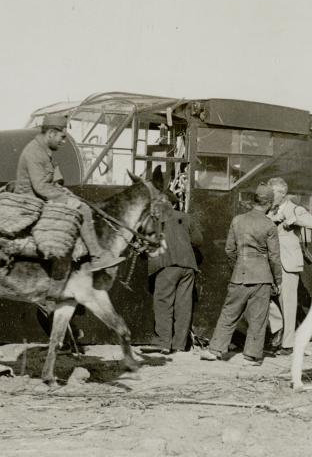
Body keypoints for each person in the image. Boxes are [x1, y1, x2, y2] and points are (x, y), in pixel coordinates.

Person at [15, 113, 125, 272]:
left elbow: (53, 181)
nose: (64, 141)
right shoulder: (34, 152)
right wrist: (65, 200)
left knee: (83, 204)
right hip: (31, 201)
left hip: (42, 196)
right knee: (82, 209)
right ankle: (96, 256)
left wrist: (67, 194)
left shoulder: (44, 150)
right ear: (51, 133)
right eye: (62, 136)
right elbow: (40, 186)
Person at [200, 183, 282, 366]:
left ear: (255, 201)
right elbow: (274, 257)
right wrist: (278, 280)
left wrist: (237, 267)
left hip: (239, 274)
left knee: (229, 313)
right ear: (268, 203)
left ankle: (215, 350)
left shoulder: (237, 220)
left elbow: (230, 250)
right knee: (258, 318)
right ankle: (251, 356)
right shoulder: (269, 225)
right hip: (262, 277)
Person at [265, 177, 312, 355]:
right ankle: (278, 327)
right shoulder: (268, 209)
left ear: (281, 193)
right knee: (263, 297)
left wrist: (294, 220)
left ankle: (287, 345)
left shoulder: (295, 209)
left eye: (271, 193)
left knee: (288, 303)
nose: (268, 196)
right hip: (269, 262)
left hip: (287, 263)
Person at [144, 191, 203, 354]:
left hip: (167, 264)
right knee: (184, 305)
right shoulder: (185, 217)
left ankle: (164, 343)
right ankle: (179, 345)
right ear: (174, 204)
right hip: (188, 265)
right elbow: (198, 240)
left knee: (163, 303)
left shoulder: (155, 219)